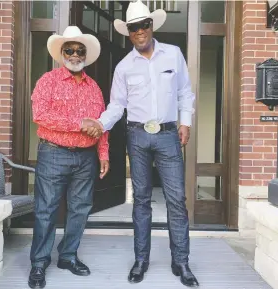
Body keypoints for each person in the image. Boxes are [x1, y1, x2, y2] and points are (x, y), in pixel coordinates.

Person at [86, 0, 199, 287]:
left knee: (176, 200)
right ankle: (141, 259)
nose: (140, 31)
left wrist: (185, 122)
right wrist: (100, 124)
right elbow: (116, 106)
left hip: (168, 134)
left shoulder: (173, 55)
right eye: (134, 27)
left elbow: (185, 92)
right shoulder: (124, 67)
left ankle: (181, 261)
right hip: (136, 135)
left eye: (144, 25)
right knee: (142, 200)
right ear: (128, 32)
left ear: (151, 26)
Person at [28, 26, 109, 289]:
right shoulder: (47, 81)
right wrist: (79, 123)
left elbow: (100, 124)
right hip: (53, 153)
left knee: (80, 209)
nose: (75, 54)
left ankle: (68, 256)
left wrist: (103, 152)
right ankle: (39, 263)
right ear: (61, 53)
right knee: (46, 210)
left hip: (86, 158)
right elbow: (40, 115)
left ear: (86, 54)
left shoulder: (94, 87)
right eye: (70, 50)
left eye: (79, 50)